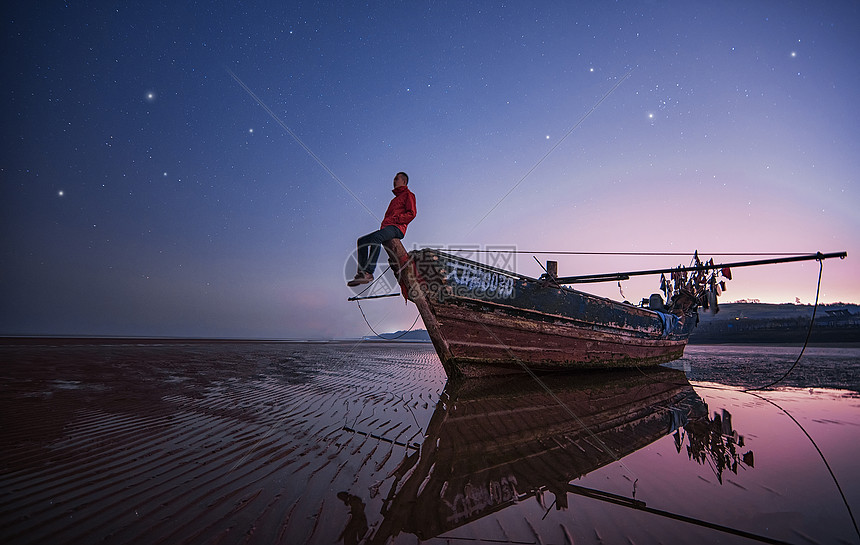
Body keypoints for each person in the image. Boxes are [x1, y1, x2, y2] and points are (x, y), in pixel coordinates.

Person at [347, 172, 416, 287]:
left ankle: (369, 272)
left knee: (376, 238)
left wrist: (396, 219)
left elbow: (412, 214)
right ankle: (362, 272)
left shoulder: (409, 195)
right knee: (362, 241)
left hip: (397, 228)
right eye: (394, 179)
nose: (394, 181)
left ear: (404, 181)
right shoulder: (394, 201)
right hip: (388, 227)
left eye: (396, 179)